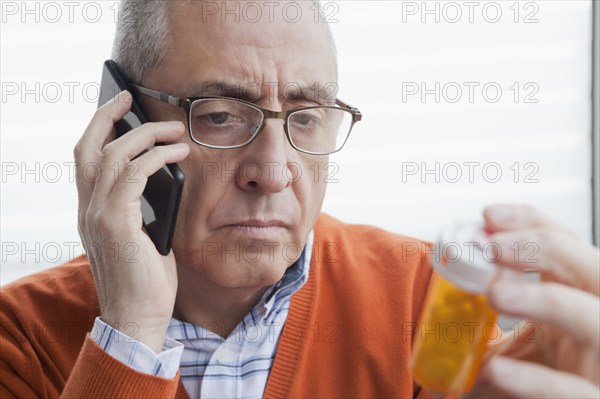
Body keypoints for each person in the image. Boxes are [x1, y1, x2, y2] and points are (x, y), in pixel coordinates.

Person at [1, 1, 598, 398]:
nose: (274, 171)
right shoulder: (19, 337)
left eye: (307, 117)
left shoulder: (429, 299)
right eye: (221, 115)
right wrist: (129, 336)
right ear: (123, 129)